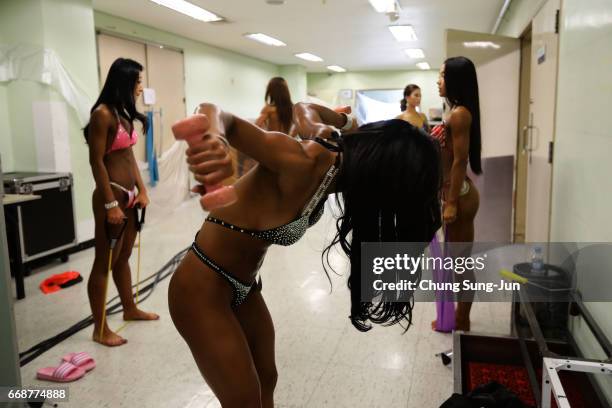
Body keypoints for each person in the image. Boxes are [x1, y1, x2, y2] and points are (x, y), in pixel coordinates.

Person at [168, 101, 441, 407]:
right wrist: (216, 140)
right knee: (243, 400)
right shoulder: (301, 161)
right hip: (201, 288)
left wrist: (345, 120)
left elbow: (304, 107)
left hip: (244, 286)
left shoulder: (328, 146)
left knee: (266, 379)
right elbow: (215, 113)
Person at [84, 58, 159, 347]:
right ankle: (99, 328)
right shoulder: (102, 114)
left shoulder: (125, 115)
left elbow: (128, 157)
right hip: (111, 195)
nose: (141, 87)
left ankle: (130, 308)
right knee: (104, 262)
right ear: (125, 82)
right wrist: (109, 205)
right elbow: (96, 162)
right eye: (138, 82)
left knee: (124, 257)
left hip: (129, 197)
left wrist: (142, 190)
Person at [430, 56, 482, 332]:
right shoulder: (455, 111)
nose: (438, 81)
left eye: (442, 75)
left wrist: (450, 203)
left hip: (459, 196)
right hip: (453, 193)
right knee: (454, 261)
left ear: (456, 80)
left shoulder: (460, 114)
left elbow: (460, 161)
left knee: (460, 263)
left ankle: (462, 320)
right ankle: (456, 315)